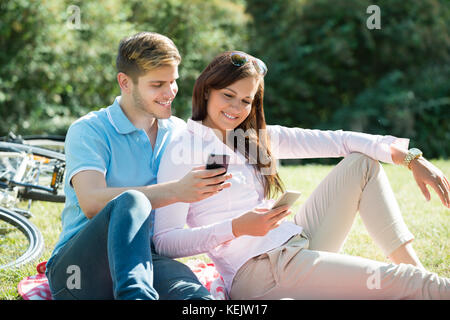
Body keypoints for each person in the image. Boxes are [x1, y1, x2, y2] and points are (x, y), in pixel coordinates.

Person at [153, 51, 450, 299]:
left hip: (294, 243)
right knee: (407, 283)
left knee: (361, 164)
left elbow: (339, 140)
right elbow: (165, 241)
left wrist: (410, 159)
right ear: (207, 91)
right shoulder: (183, 147)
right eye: (228, 95)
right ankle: (421, 283)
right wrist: (237, 227)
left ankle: (416, 271)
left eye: (246, 100)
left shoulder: (252, 139)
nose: (236, 107)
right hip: (259, 272)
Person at [45, 32, 232, 300]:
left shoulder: (180, 133)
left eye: (173, 81)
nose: (170, 93)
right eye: (157, 84)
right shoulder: (89, 130)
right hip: (79, 271)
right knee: (131, 201)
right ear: (125, 82)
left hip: (147, 261)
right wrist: (176, 191)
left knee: (194, 296)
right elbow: (91, 202)